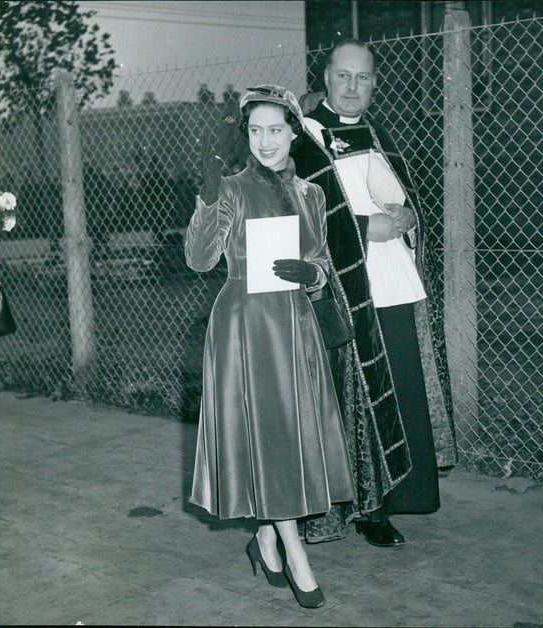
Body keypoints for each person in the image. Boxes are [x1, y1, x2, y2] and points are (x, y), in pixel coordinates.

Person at [185, 85, 355, 608]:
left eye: (275, 129)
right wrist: (210, 202)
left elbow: (322, 262)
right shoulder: (233, 188)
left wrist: (314, 275)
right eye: (255, 130)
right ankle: (293, 547)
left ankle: (265, 535)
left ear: (293, 132)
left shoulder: (313, 194)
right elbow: (198, 260)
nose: (265, 140)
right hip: (245, 327)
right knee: (271, 439)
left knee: (289, 440)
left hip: (296, 327)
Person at [292, 40, 458, 547]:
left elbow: (398, 194)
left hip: (393, 280)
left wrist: (408, 216)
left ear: (374, 83)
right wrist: (366, 228)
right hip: (343, 289)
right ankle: (362, 508)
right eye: (343, 76)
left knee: (402, 388)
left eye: (362, 78)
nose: (351, 88)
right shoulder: (303, 140)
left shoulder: (375, 130)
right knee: (356, 398)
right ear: (325, 77)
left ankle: (394, 499)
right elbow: (296, 215)